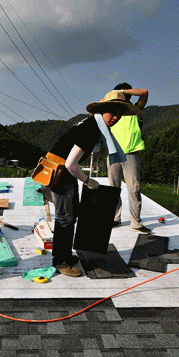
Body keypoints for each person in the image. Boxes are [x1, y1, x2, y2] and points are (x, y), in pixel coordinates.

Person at [43, 90, 135, 277]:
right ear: (102, 110)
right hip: (60, 172)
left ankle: (65, 254)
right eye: (112, 112)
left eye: (119, 114)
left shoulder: (93, 122)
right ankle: (61, 261)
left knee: (70, 216)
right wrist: (87, 180)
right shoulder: (91, 128)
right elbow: (71, 164)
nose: (115, 117)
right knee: (65, 218)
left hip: (63, 170)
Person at [108, 82, 150, 233]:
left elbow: (144, 92)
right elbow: (93, 112)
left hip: (130, 154)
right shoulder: (112, 113)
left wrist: (122, 91)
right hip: (113, 154)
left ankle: (136, 223)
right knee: (113, 189)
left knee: (134, 189)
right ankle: (115, 219)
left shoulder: (135, 110)